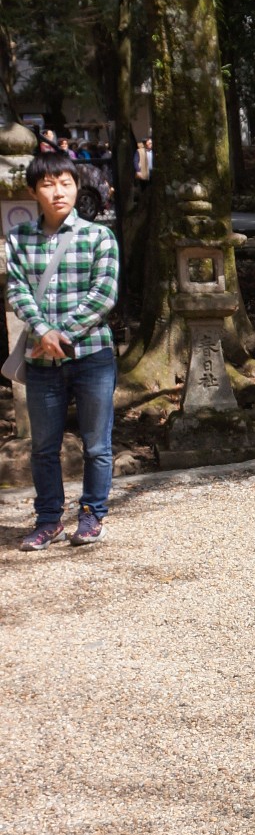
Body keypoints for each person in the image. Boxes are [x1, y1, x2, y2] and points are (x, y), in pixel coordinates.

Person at [6, 149, 120, 550]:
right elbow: (17, 289)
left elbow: (104, 295)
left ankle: (92, 515)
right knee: (43, 447)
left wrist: (60, 333)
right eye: (48, 184)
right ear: (34, 191)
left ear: (76, 187)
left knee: (97, 444)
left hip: (92, 356)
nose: (58, 192)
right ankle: (49, 519)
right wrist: (42, 330)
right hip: (42, 362)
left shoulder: (99, 236)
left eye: (66, 183)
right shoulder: (18, 238)